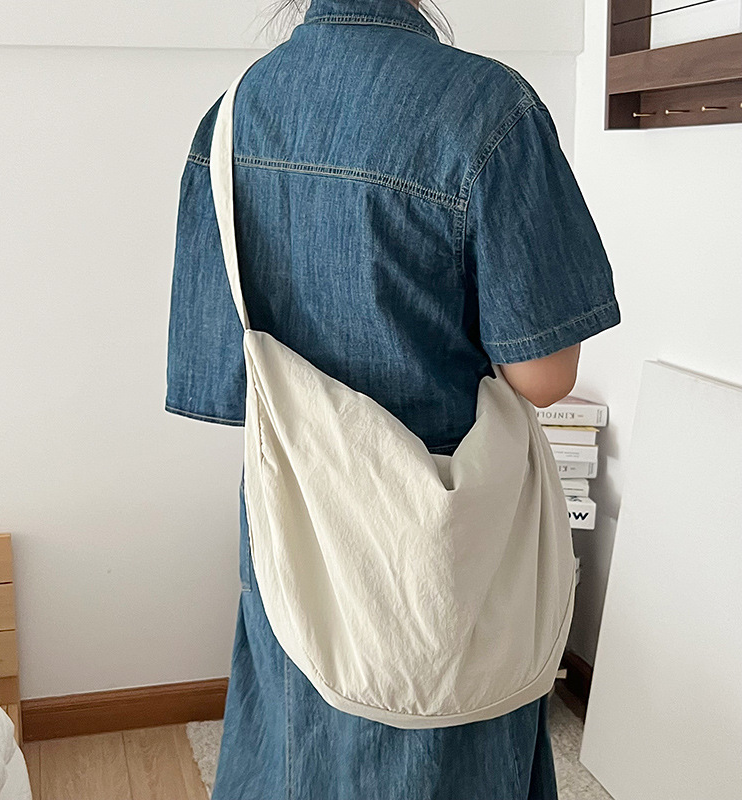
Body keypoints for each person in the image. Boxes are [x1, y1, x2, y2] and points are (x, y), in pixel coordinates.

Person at [165, 0, 621, 796]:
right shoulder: (490, 108)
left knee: (299, 741)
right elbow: (545, 377)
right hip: (438, 539)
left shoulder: (231, 118)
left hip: (297, 514)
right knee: (442, 733)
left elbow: (224, 378)